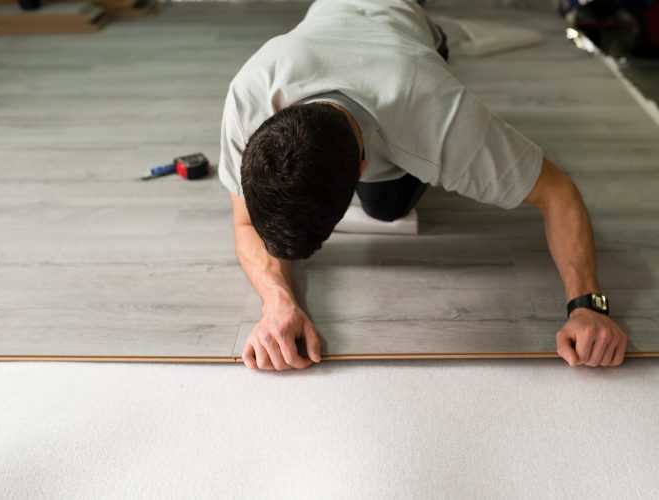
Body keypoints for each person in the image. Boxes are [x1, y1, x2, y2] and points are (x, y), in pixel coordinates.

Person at [219, 0, 628, 371]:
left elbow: (557, 192)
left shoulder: (439, 118)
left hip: (406, 36)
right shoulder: (250, 94)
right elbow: (245, 225)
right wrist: (277, 303)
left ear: (363, 168)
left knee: (386, 206)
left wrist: (587, 306)